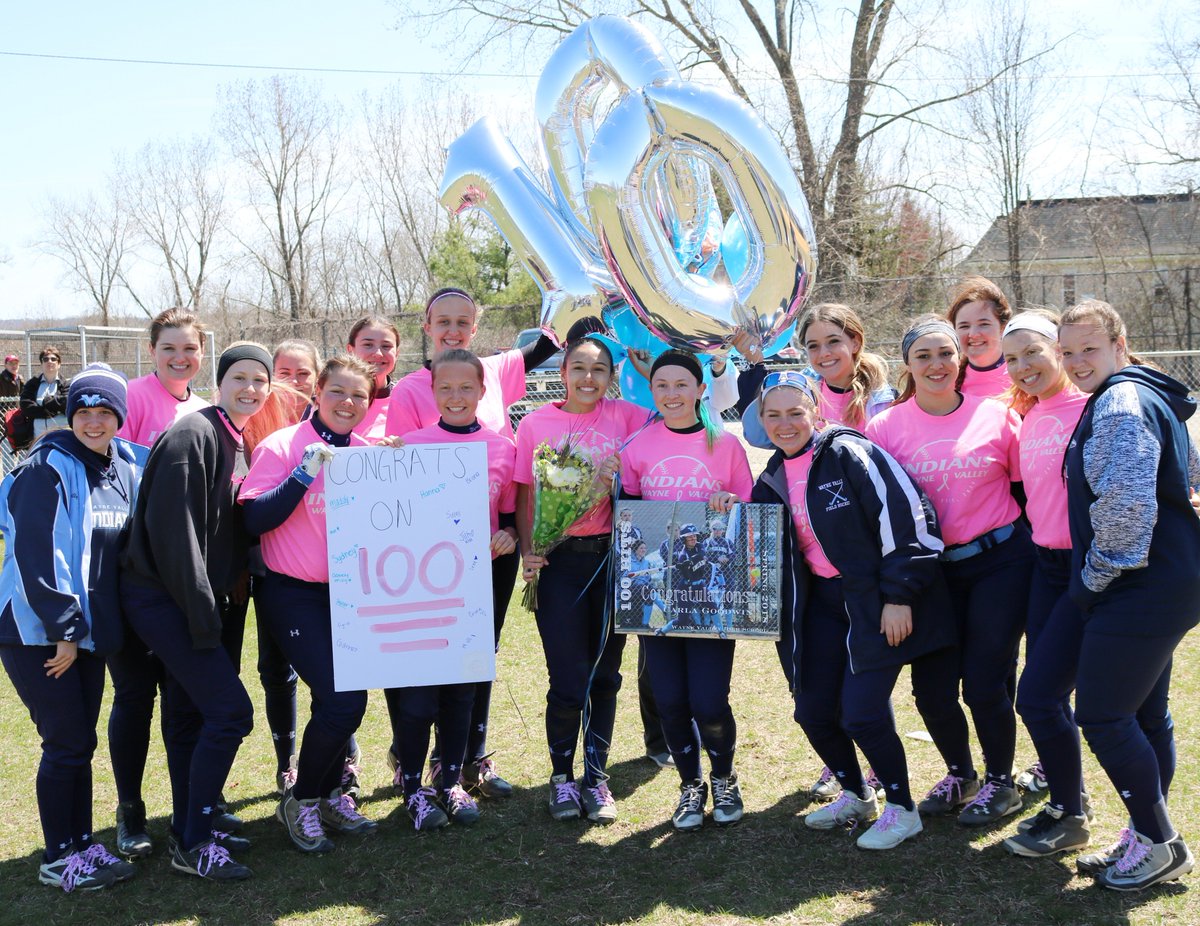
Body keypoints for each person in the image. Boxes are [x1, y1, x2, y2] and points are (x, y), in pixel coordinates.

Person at [749, 370, 956, 849]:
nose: (786, 424)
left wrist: (899, 595)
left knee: (862, 714)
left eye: (796, 412)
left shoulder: (848, 451)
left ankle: (903, 810)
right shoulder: (772, 476)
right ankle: (856, 794)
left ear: (815, 412)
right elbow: (755, 540)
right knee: (813, 711)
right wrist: (727, 509)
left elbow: (907, 517)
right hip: (817, 607)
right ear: (760, 420)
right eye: (774, 415)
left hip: (873, 601)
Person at [384, 288, 559, 797]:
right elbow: (394, 480)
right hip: (426, 560)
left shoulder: (496, 387)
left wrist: (509, 533)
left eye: (463, 320)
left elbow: (508, 496)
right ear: (426, 324)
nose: (453, 329)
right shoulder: (408, 393)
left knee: (477, 656)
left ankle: (466, 759)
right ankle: (412, 758)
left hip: (489, 553)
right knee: (420, 659)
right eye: (443, 321)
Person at [865, 315, 1033, 825]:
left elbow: (1028, 491)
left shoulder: (997, 415)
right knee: (932, 691)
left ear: (960, 359)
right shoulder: (884, 429)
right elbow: (880, 512)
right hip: (930, 574)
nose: (936, 364)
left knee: (984, 682)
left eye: (945, 353)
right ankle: (962, 774)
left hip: (999, 562)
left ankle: (1001, 783)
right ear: (907, 366)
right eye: (924, 356)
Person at [119, 343, 276, 881]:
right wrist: (202, 614)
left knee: (188, 717)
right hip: (168, 600)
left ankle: (191, 821)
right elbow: (174, 536)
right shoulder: (193, 435)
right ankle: (194, 841)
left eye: (260, 379)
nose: (250, 387)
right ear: (220, 379)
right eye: (240, 377)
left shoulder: (235, 438)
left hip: (197, 600)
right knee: (231, 713)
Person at [1058, 299, 1200, 891]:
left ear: (1121, 344)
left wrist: (1093, 578)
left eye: (1089, 348)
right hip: (1164, 580)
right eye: (1067, 352)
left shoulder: (1119, 403)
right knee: (1142, 712)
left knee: (1102, 713)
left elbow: (1126, 509)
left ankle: (1161, 844)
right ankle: (1149, 835)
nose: (1076, 361)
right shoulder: (1143, 396)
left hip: (1139, 586)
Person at [0, 365, 143, 892]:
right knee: (64, 741)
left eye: (105, 411)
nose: (94, 420)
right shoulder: (48, 469)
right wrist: (63, 627)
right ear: (71, 413)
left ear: (120, 417)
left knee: (78, 742)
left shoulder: (121, 465)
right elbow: (39, 552)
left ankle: (82, 844)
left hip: (83, 634)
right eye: (84, 410)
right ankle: (59, 857)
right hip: (39, 633)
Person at [241, 354, 381, 853]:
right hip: (292, 594)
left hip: (351, 593)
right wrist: (302, 474)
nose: (348, 403)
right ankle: (300, 802)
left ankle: (326, 795)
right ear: (318, 391)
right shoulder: (282, 445)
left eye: (359, 395)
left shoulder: (369, 452)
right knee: (344, 700)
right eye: (338, 391)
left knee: (340, 702)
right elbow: (253, 521)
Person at [619, 349, 753, 831]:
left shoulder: (728, 446)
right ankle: (690, 786)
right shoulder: (637, 447)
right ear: (651, 392)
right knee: (671, 700)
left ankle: (723, 777)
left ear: (701, 389)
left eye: (681, 385)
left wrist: (729, 503)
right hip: (659, 597)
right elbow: (629, 521)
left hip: (708, 599)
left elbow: (746, 514)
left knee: (709, 701)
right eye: (662, 386)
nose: (671, 394)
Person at [387, 349, 519, 831]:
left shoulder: (503, 446)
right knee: (419, 697)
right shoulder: (406, 447)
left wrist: (511, 535)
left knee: (463, 690)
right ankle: (412, 789)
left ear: (483, 392)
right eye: (446, 388)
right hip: (419, 590)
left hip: (472, 586)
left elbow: (506, 515)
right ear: (432, 392)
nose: (457, 396)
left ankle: (449, 782)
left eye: (467, 388)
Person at [516, 335, 643, 824]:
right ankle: (561, 779)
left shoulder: (629, 418)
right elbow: (525, 496)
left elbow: (677, 421)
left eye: (600, 369)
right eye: (580, 368)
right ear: (563, 372)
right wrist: (530, 551)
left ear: (613, 376)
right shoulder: (536, 423)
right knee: (568, 680)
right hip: (559, 564)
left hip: (614, 559)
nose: (589, 378)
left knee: (605, 676)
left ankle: (596, 778)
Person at [107, 308, 211, 858]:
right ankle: (129, 812)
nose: (180, 358)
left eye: (189, 349)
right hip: (130, 574)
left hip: (178, 579)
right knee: (133, 696)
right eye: (170, 348)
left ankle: (185, 809)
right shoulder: (131, 399)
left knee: (182, 702)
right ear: (153, 352)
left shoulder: (201, 410)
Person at [990, 310, 1093, 859]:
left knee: (1039, 695)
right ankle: (1068, 803)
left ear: (1060, 348)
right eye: (1011, 358)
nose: (1022, 366)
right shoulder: (1029, 415)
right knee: (1047, 696)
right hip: (1043, 565)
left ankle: (1073, 812)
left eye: (1033, 352)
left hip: (1084, 569)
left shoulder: (1092, 408)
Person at [741, 304, 894, 452]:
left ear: (855, 343)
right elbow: (759, 437)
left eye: (834, 341)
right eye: (813, 346)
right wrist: (755, 364)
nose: (823, 353)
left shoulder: (884, 400)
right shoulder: (799, 392)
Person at [945, 277, 1014, 400]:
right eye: (964, 326)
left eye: (984, 324)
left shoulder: (1022, 373)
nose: (973, 334)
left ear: (1003, 327)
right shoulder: (947, 379)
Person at [346, 317, 400, 440]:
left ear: (397, 353)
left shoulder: (407, 398)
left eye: (386, 346)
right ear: (350, 350)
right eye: (368, 345)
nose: (378, 353)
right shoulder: (331, 398)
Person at [19, 345, 69, 439]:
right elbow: (25, 405)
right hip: (37, 439)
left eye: (53, 359)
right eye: (45, 359)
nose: (49, 361)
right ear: (41, 363)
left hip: (63, 437)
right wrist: (46, 411)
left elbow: (66, 402)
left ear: (59, 364)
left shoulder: (66, 384)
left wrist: (45, 402)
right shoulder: (32, 383)